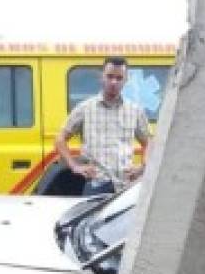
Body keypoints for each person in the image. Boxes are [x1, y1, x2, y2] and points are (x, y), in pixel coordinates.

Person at [54, 56, 151, 195]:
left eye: (119, 78)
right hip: (95, 184)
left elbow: (148, 142)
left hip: (125, 186)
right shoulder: (85, 108)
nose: (114, 82)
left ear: (126, 80)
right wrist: (74, 166)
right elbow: (60, 139)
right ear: (101, 77)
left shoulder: (135, 110)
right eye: (110, 76)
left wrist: (143, 167)